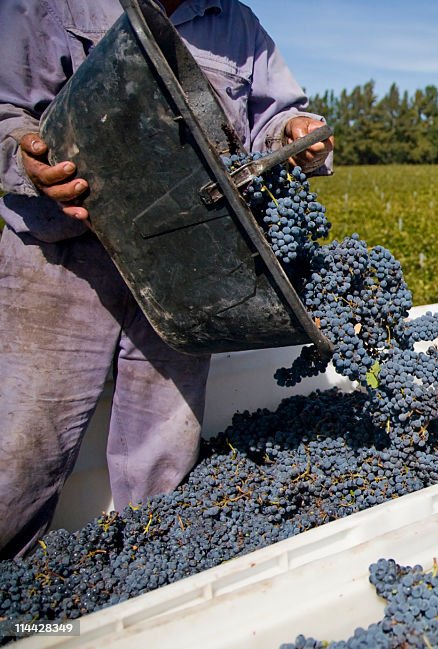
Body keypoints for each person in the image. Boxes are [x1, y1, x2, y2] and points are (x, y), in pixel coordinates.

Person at [0, 0, 334, 559]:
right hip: (61, 263)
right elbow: (5, 111)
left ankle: (139, 591)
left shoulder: (237, 24)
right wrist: (24, 160)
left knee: (163, 459)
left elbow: (270, 123)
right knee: (19, 455)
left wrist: (295, 136)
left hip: (190, 267)